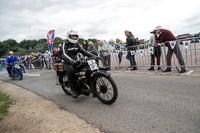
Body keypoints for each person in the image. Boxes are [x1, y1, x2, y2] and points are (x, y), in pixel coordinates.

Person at [56, 30, 95, 98]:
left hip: (76, 61)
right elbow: (64, 54)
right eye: (72, 36)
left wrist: (92, 56)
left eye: (75, 36)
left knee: (87, 67)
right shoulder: (65, 43)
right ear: (69, 36)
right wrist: (71, 60)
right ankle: (73, 89)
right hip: (67, 62)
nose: (74, 37)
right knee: (71, 70)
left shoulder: (76, 43)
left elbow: (83, 51)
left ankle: (83, 85)